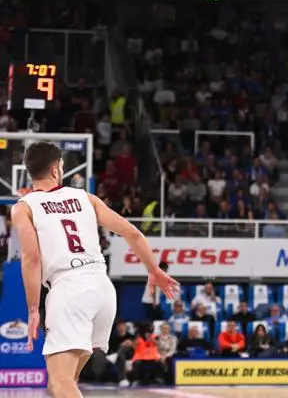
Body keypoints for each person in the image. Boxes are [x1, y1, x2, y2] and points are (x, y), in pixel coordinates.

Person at [10, 142, 178, 398]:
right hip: (102, 289)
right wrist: (153, 269)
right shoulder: (85, 198)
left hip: (68, 289)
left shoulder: (24, 206)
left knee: (61, 383)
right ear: (56, 171)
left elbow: (31, 258)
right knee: (60, 384)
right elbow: (132, 232)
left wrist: (33, 308)